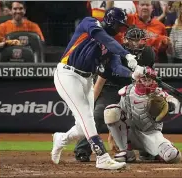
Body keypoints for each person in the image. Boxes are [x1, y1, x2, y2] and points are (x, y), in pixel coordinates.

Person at [51, 7, 148, 170]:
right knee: (86, 117)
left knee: (84, 127)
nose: (119, 28)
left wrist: (134, 74)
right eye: (118, 25)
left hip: (86, 79)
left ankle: (61, 139)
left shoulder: (113, 45)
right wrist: (127, 55)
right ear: (110, 21)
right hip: (67, 74)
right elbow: (104, 38)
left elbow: (116, 67)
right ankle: (102, 157)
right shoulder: (90, 23)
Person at [74, 27, 156, 162]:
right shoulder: (115, 52)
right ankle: (82, 149)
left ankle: (147, 150)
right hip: (109, 88)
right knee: (98, 115)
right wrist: (90, 104)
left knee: (143, 114)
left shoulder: (148, 54)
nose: (135, 44)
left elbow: (148, 80)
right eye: (132, 40)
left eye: (139, 40)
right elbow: (100, 82)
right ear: (125, 40)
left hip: (133, 89)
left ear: (144, 41)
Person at [103, 67, 182, 163]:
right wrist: (111, 136)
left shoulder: (159, 94)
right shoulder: (127, 91)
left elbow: (174, 101)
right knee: (111, 111)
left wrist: (170, 105)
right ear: (137, 79)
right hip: (129, 134)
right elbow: (117, 116)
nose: (147, 81)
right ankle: (126, 152)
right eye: (144, 79)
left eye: (149, 79)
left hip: (151, 135)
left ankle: (153, 151)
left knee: (173, 156)